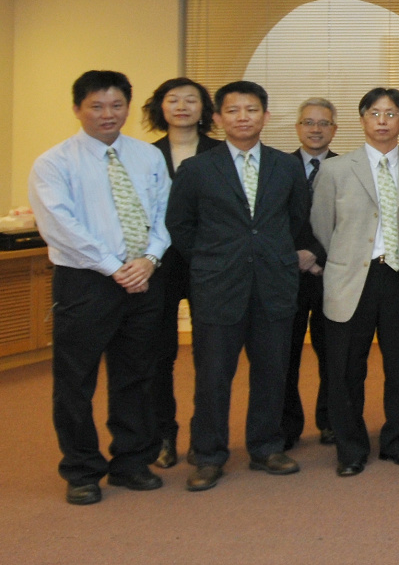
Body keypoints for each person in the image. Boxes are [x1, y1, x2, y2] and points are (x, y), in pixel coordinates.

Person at [30, 70, 171, 505]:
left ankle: (131, 462)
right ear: (77, 109)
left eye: (116, 105)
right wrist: (114, 267)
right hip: (86, 281)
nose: (108, 114)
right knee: (76, 380)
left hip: (143, 277)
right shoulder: (54, 162)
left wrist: (150, 258)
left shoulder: (148, 156)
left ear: (128, 108)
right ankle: (82, 470)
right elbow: (60, 225)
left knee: (137, 375)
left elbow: (164, 212)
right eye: (96, 106)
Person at [165, 80, 311, 491]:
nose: (242, 117)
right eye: (233, 110)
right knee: (213, 376)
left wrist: (272, 255)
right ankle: (209, 454)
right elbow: (180, 224)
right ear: (217, 118)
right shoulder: (196, 168)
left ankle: (266, 447)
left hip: (274, 285)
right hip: (217, 286)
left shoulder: (287, 166)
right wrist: (211, 260)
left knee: (272, 371)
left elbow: (297, 219)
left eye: (251, 110)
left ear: (265, 116)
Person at [311, 87, 399, 476]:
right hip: (352, 277)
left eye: (391, 114)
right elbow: (322, 226)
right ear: (362, 119)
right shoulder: (335, 170)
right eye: (375, 113)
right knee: (346, 369)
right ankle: (350, 449)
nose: (383, 121)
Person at [142, 77, 221, 468]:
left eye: (191, 100)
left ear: (204, 109)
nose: (182, 107)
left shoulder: (220, 153)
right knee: (159, 356)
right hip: (158, 265)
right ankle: (163, 436)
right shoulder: (144, 155)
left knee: (210, 355)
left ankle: (205, 438)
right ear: (160, 107)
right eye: (173, 100)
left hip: (209, 264)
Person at [284, 98, 339, 450]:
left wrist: (316, 254)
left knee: (332, 355)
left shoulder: (348, 167)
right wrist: (296, 255)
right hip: (286, 275)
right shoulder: (278, 167)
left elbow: (351, 222)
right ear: (297, 127)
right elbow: (270, 219)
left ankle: (330, 421)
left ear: (334, 129)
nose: (315, 129)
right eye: (308, 122)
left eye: (323, 123)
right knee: (284, 355)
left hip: (331, 276)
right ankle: (286, 426)